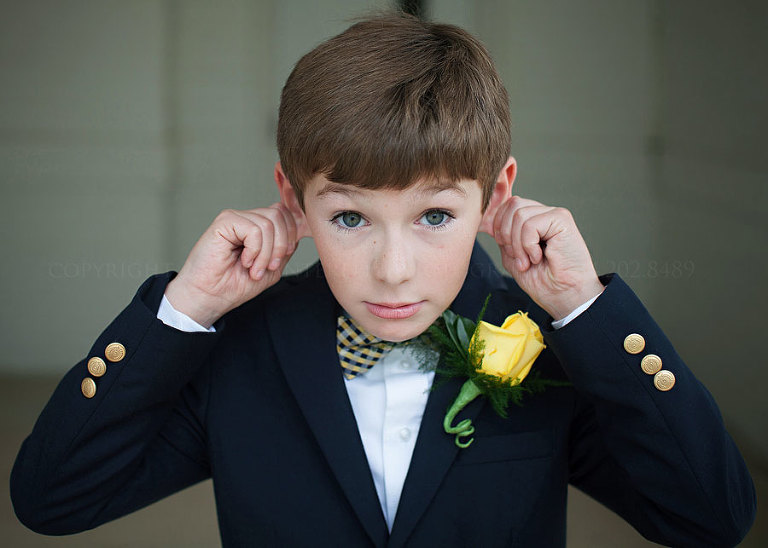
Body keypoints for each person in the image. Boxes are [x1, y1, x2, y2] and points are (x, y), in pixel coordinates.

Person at [11, 11, 756, 547]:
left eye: (434, 215)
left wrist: (588, 312)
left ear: (496, 196)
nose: (394, 270)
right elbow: (52, 500)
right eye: (349, 217)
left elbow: (712, 518)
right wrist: (182, 310)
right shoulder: (239, 350)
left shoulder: (554, 348)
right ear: (291, 199)